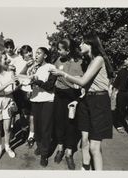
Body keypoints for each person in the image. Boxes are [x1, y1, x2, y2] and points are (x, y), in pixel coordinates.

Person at [50, 32, 114, 170]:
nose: (80, 45)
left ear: (90, 44)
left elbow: (83, 81)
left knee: (94, 147)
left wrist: (63, 74)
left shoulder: (98, 59)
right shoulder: (88, 61)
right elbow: (85, 86)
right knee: (84, 141)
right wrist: (78, 100)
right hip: (87, 100)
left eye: (83, 42)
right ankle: (85, 168)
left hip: (99, 101)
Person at [51, 38, 83, 170]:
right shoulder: (58, 60)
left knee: (71, 124)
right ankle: (60, 148)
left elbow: (79, 82)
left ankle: (69, 153)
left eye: (60, 49)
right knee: (59, 123)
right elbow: (53, 78)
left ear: (68, 50)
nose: (58, 51)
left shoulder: (78, 63)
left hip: (72, 96)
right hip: (59, 96)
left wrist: (63, 75)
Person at [0, 51, 20, 161]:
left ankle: (7, 146)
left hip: (8, 100)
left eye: (7, 58)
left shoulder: (10, 72)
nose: (8, 60)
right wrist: (8, 84)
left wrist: (18, 83)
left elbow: (15, 87)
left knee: (7, 128)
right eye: (4, 59)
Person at [28, 47, 57, 167]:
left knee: (46, 128)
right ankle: (40, 146)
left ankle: (44, 154)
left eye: (39, 53)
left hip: (47, 101)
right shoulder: (34, 68)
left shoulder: (51, 67)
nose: (36, 55)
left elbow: (50, 86)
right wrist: (29, 81)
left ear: (45, 56)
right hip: (35, 100)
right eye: (36, 53)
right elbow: (31, 84)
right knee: (38, 127)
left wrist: (37, 81)